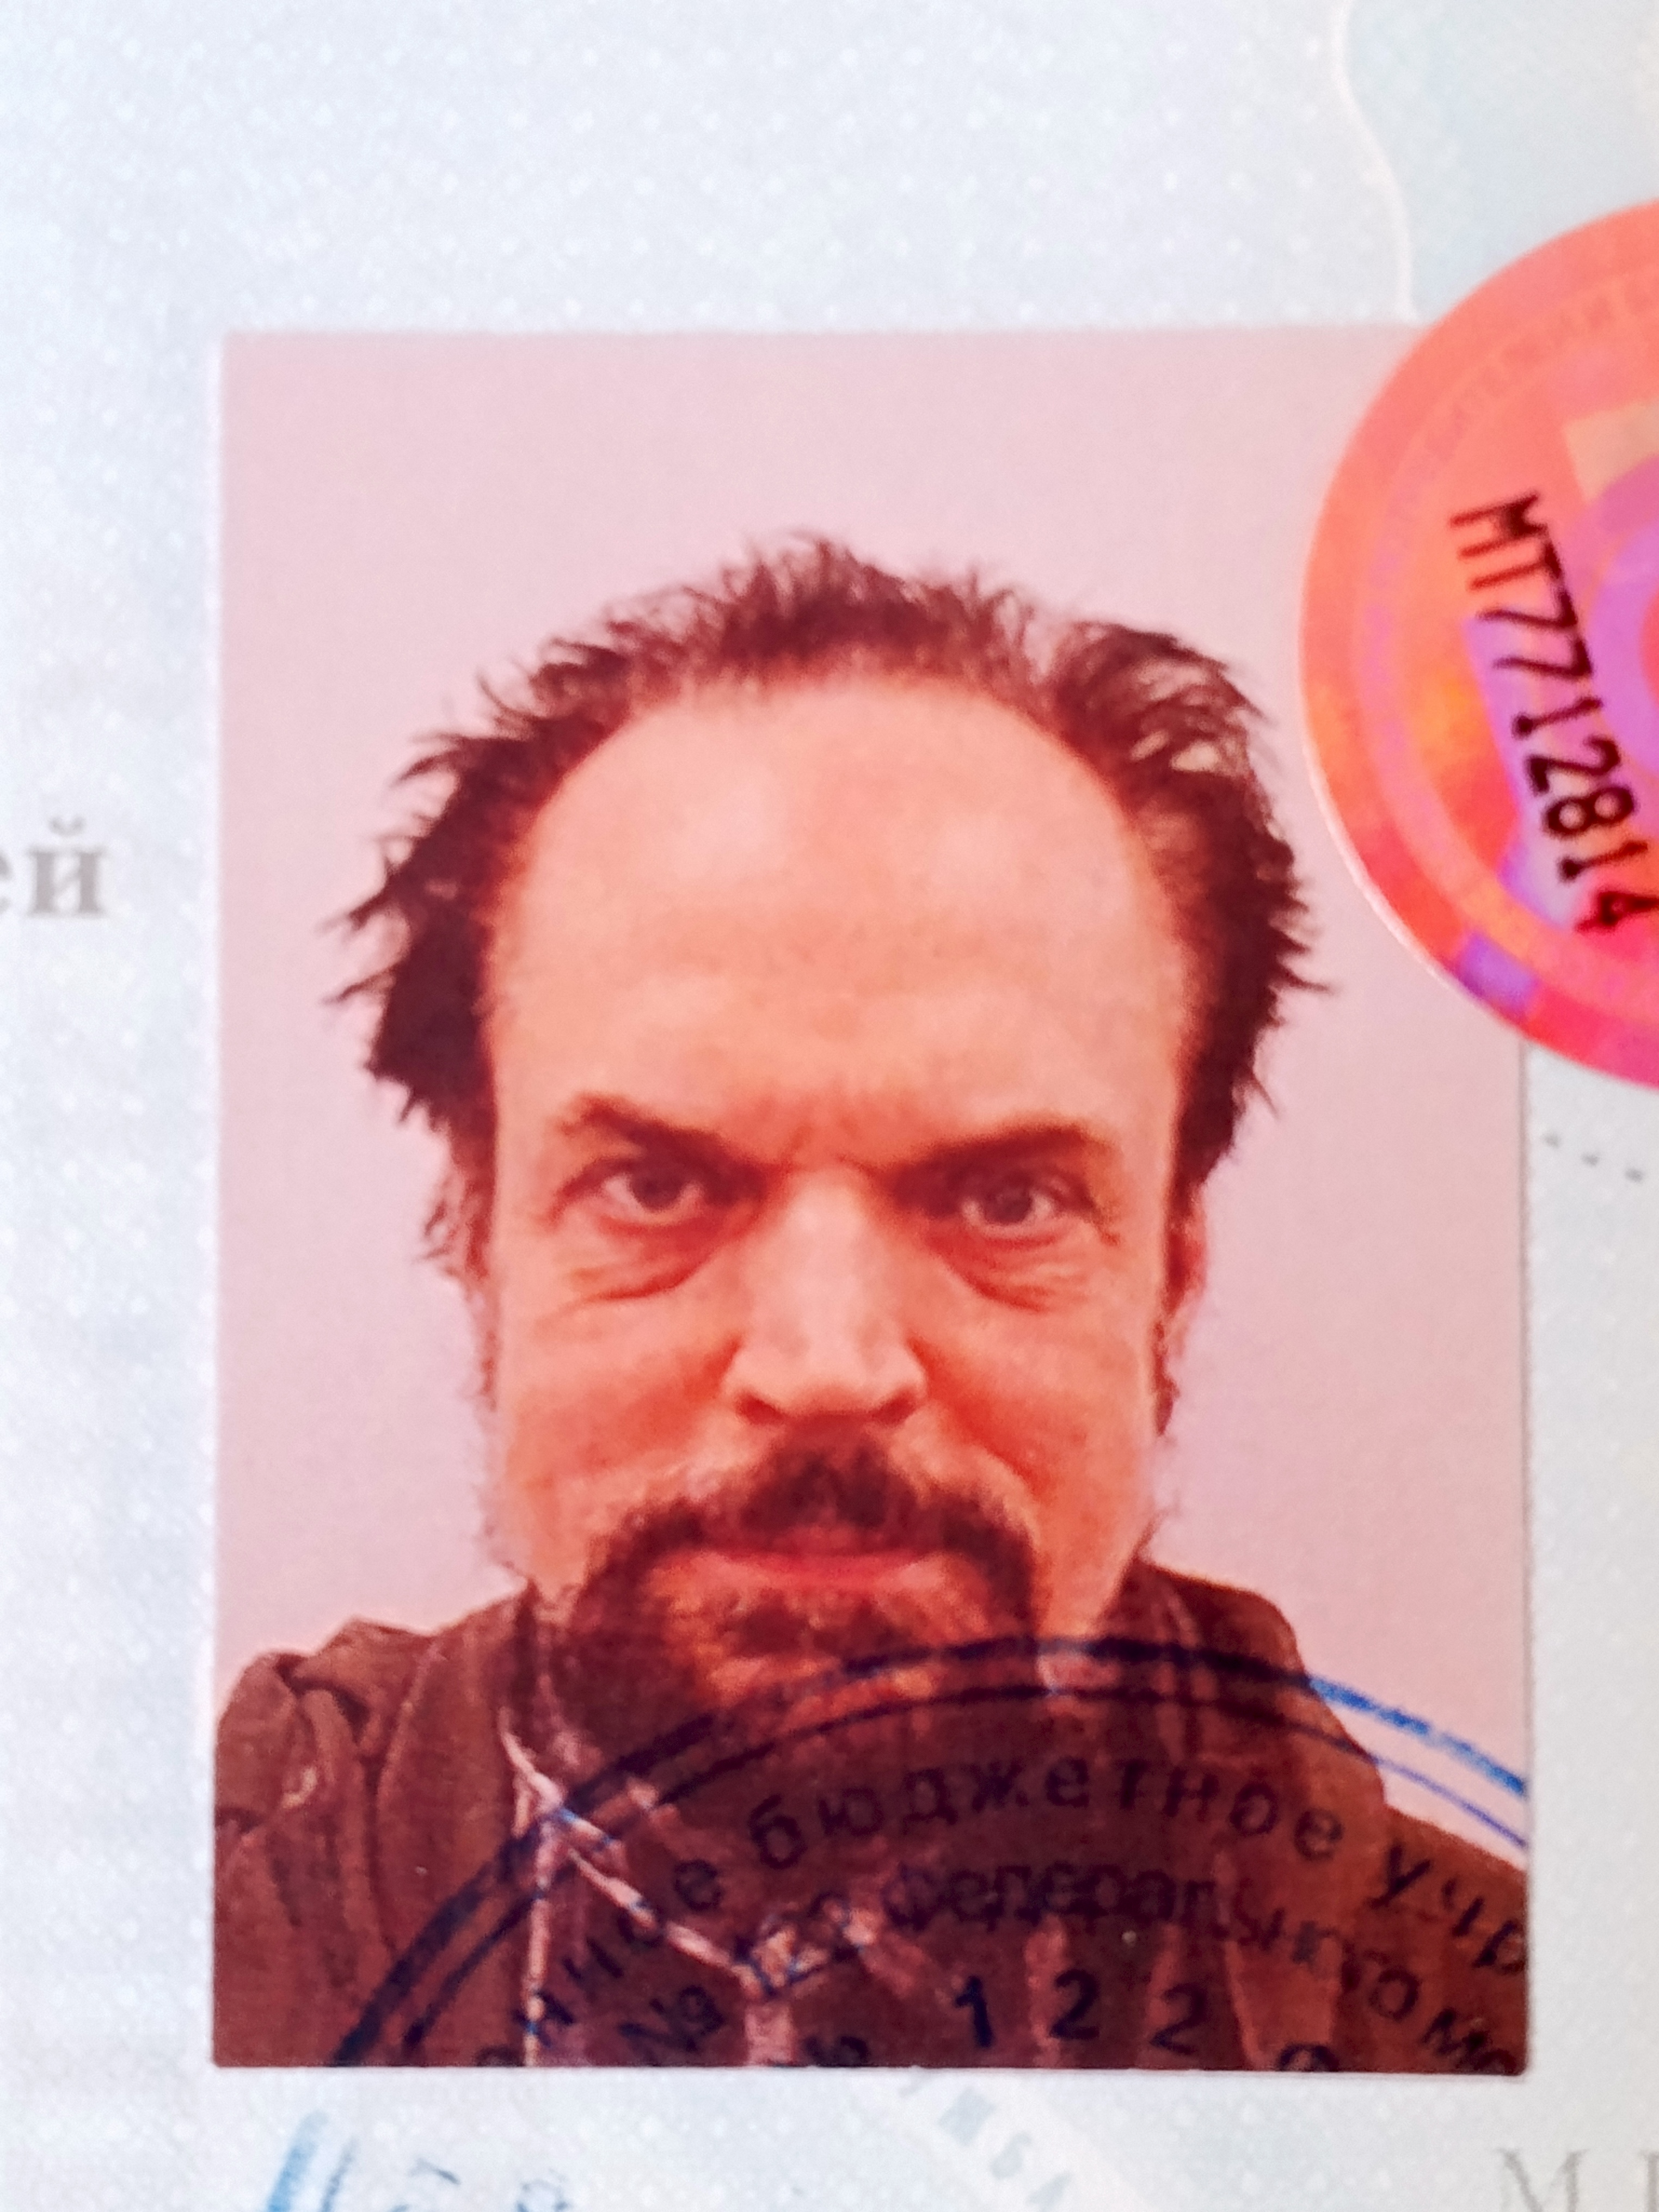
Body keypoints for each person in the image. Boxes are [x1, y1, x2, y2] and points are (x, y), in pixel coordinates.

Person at [214, 542, 1525, 2072]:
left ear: (1171, 1276)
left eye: (1006, 1200)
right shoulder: (122, 1983)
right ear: (475, 1240)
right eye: (656, 1185)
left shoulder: (1519, 2037)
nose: (827, 1364)